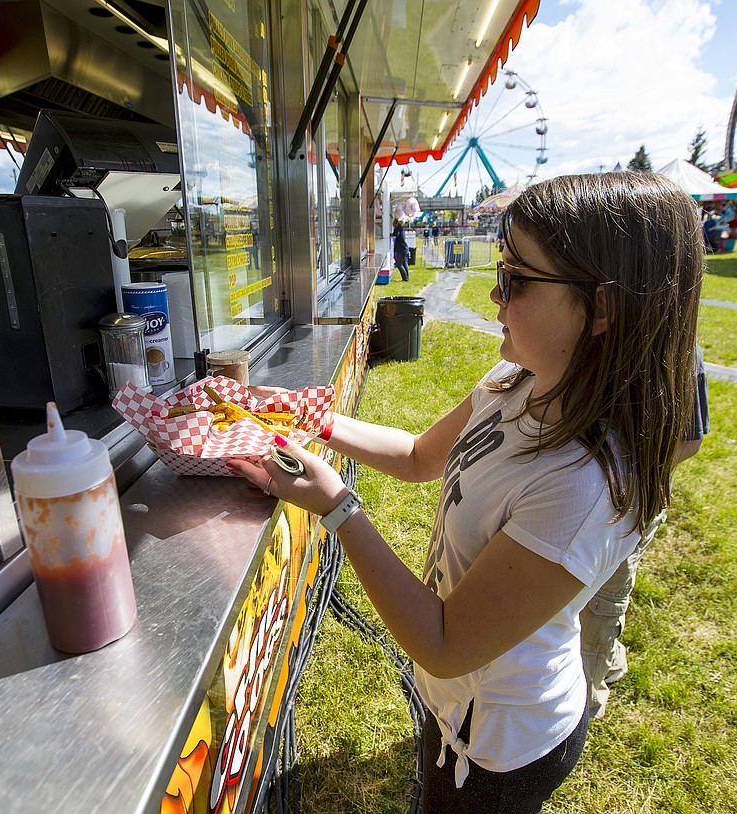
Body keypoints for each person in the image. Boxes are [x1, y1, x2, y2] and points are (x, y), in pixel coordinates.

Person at [229, 172, 704, 813]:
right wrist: (309, 415)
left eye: (516, 280)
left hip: (502, 747)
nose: (493, 294)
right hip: (458, 709)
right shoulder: (517, 376)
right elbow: (422, 455)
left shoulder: (582, 488)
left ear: (603, 308)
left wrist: (339, 508)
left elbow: (446, 644)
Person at [580, 347, 709, 720]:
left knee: (603, 601)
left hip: (630, 504)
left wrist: (623, 485)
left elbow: (688, 442)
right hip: (575, 496)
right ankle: (607, 656)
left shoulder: (680, 346)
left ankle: (584, 704)